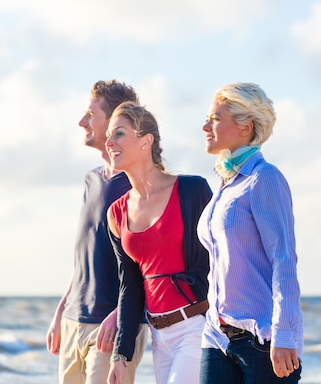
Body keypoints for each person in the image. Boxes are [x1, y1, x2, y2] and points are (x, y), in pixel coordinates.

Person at [197, 82, 304, 383]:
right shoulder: (226, 184)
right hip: (217, 337)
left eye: (215, 119)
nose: (205, 126)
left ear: (245, 126)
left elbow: (284, 259)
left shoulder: (264, 178)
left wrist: (284, 334)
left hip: (262, 339)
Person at [46, 80, 150, 384]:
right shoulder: (92, 180)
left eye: (91, 115)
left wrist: (121, 315)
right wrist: (61, 310)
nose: (82, 122)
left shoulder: (139, 184)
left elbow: (150, 262)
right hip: (73, 321)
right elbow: (85, 255)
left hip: (112, 325)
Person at [104, 102, 212, 384]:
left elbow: (221, 258)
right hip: (158, 336)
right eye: (108, 135)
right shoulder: (116, 212)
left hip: (196, 326)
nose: (109, 141)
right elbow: (130, 286)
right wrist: (121, 354)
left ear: (145, 141)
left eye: (119, 134)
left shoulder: (192, 191)